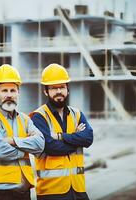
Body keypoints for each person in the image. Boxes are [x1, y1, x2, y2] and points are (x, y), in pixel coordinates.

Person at [0, 64, 45, 200]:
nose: (9, 95)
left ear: (18, 93)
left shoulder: (25, 119)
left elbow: (40, 144)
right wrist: (26, 149)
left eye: (13, 90)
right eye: (4, 91)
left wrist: (13, 141)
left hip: (23, 192)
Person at [30, 63, 93, 200]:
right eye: (53, 88)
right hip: (52, 191)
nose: (59, 91)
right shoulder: (38, 116)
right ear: (45, 91)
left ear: (67, 89)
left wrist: (61, 136)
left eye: (62, 87)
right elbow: (50, 147)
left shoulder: (77, 114)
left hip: (79, 190)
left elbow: (88, 138)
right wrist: (76, 140)